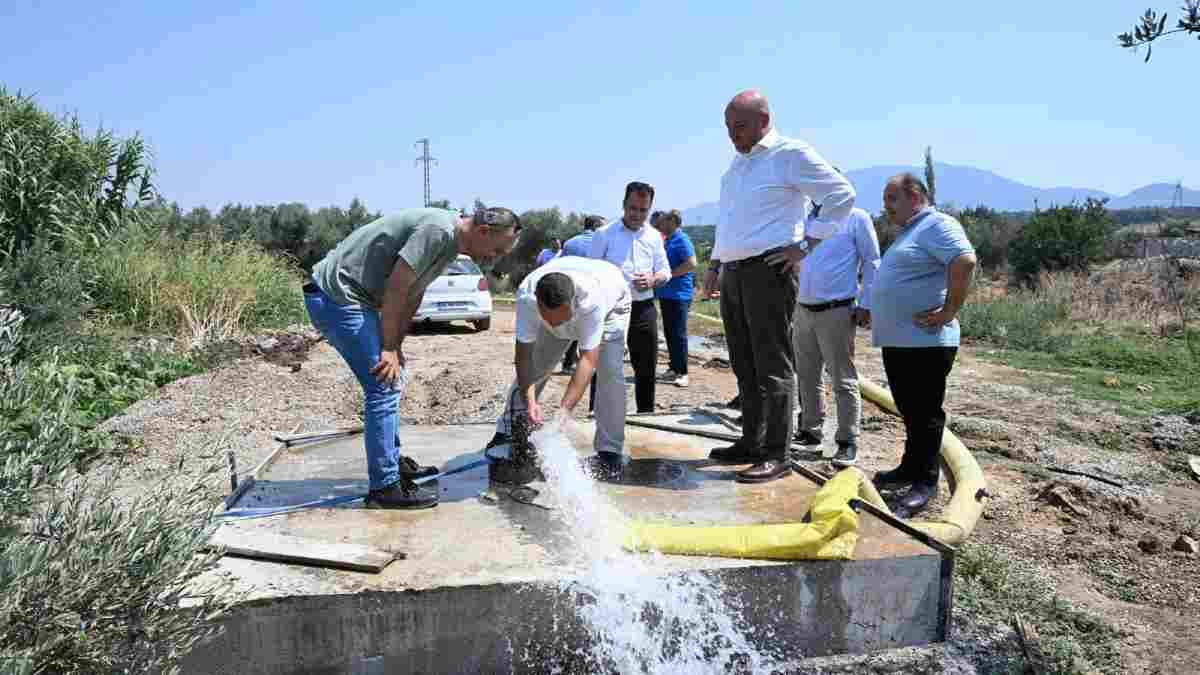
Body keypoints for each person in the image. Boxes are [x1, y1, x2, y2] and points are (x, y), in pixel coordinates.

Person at [306, 207, 522, 508]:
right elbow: (397, 285)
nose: (495, 257)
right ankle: (384, 487)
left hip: (353, 300)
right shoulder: (438, 230)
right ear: (483, 231)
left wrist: (396, 343)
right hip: (338, 297)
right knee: (383, 385)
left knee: (391, 379)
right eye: (497, 249)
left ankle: (391, 464)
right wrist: (388, 348)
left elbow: (413, 293)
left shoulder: (452, 244)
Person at [702, 90, 855, 484]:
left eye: (740, 126)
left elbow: (841, 195)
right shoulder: (739, 164)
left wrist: (806, 244)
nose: (732, 134)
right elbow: (730, 218)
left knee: (772, 364)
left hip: (769, 270)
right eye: (728, 127)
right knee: (744, 362)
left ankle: (777, 453)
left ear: (764, 120)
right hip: (735, 271)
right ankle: (751, 441)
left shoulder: (789, 154)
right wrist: (716, 263)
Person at [871, 173, 977, 516]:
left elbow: (965, 260)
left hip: (926, 342)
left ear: (915, 196)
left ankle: (925, 483)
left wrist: (950, 310)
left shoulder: (937, 224)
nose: (886, 206)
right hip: (903, 341)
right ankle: (910, 467)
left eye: (892, 198)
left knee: (925, 413)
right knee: (910, 410)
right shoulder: (911, 232)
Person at [489, 256, 632, 477]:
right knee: (538, 365)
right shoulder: (527, 297)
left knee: (610, 371)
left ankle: (609, 450)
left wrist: (562, 414)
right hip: (563, 304)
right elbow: (524, 357)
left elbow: (587, 360)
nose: (556, 324)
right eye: (550, 318)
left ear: (573, 302)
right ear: (537, 302)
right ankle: (508, 431)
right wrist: (530, 400)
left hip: (613, 306)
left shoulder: (591, 301)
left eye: (560, 318)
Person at [792, 194, 880, 468]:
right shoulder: (804, 219)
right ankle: (810, 430)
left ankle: (847, 440)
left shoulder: (856, 218)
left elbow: (872, 262)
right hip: (803, 309)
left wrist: (866, 303)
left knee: (842, 378)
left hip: (837, 309)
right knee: (806, 375)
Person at [590, 182, 670, 413]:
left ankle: (646, 416)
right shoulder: (603, 234)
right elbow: (591, 272)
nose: (637, 215)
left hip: (643, 308)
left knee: (646, 367)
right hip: (610, 309)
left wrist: (654, 280)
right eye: (633, 208)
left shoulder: (655, 237)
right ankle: (597, 414)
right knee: (605, 365)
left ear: (650, 208)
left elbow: (665, 270)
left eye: (643, 210)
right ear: (624, 205)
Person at [652, 210, 697, 388]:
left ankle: (683, 372)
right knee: (670, 333)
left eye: (663, 221)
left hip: (679, 294)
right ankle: (674, 367)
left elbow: (692, 263)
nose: (660, 225)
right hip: (667, 294)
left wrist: (670, 275)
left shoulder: (682, 239)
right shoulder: (669, 239)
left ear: (672, 221)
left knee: (678, 334)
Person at [558, 215, 605, 374]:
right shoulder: (600, 242)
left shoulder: (569, 242)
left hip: (570, 287)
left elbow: (561, 264)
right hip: (591, 289)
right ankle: (587, 362)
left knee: (571, 324)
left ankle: (567, 363)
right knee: (592, 325)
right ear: (597, 227)